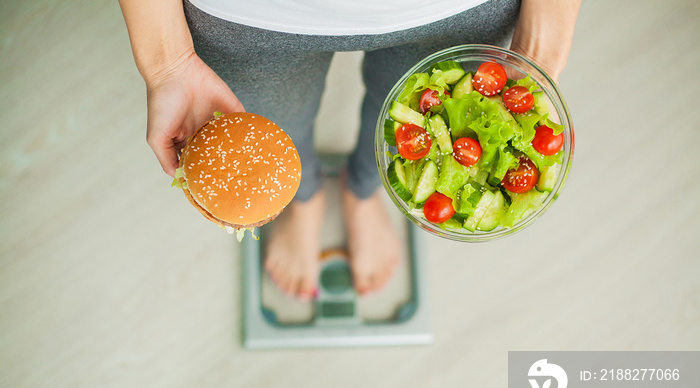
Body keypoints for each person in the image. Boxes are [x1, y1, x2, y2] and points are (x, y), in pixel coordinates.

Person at [119, 0, 581, 299]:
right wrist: (167, 61)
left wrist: (542, 41)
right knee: (272, 130)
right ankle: (302, 199)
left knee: (407, 138)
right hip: (245, 16)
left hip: (459, 8)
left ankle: (363, 192)